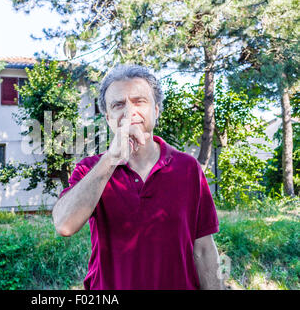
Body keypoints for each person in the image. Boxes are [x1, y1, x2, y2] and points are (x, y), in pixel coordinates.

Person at [52, 64, 224, 290]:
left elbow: (203, 248)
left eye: (139, 101)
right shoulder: (90, 170)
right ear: (107, 117)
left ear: (156, 110)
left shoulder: (188, 168)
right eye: (118, 105)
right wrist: (111, 159)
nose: (130, 111)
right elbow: (64, 225)